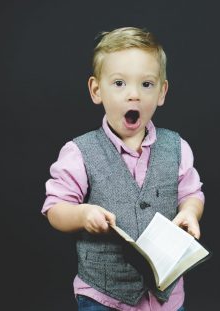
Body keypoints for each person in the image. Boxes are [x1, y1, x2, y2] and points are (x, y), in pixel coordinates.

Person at [42, 27, 205, 311]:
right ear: (96, 90)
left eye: (146, 84)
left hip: (165, 296)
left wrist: (190, 211)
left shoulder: (177, 147)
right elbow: (55, 209)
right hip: (104, 296)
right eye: (119, 83)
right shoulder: (79, 153)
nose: (134, 95)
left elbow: (192, 193)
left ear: (162, 92)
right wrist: (81, 214)